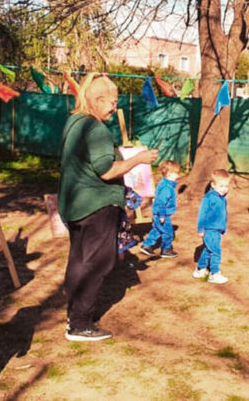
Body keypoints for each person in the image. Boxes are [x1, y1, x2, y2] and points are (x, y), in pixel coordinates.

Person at [58, 73, 158, 342]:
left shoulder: (74, 122)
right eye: (112, 102)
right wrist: (139, 158)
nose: (115, 107)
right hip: (97, 206)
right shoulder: (96, 129)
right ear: (98, 99)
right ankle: (80, 324)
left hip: (75, 205)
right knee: (98, 262)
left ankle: (74, 315)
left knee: (79, 259)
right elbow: (106, 170)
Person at [194, 169, 231, 284]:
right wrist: (201, 229)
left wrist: (223, 228)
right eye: (221, 186)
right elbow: (202, 215)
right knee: (215, 251)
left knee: (208, 249)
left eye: (226, 186)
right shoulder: (208, 198)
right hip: (210, 229)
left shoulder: (223, 199)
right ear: (213, 185)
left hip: (217, 230)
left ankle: (200, 269)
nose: (224, 189)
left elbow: (223, 215)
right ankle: (214, 273)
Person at [139, 160, 181, 258]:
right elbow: (161, 202)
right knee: (168, 233)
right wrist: (162, 215)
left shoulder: (163, 183)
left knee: (157, 230)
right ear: (170, 174)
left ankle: (146, 245)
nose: (178, 176)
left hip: (157, 214)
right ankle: (166, 249)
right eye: (176, 174)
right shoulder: (167, 188)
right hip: (162, 215)